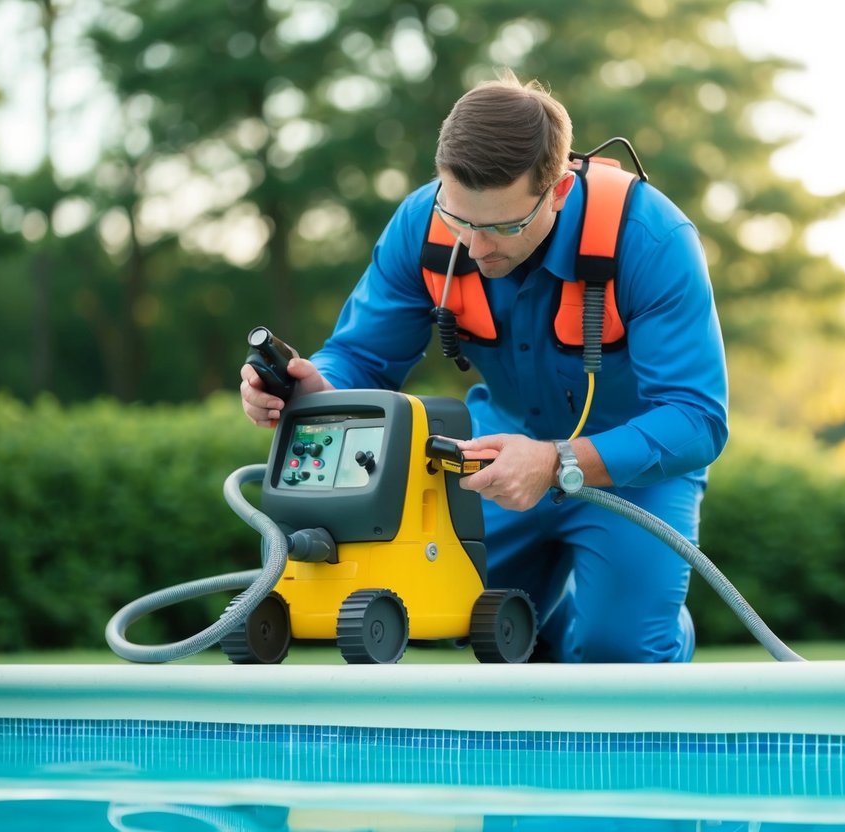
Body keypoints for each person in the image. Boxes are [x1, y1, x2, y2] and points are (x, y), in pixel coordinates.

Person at [240, 71, 728, 663]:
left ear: (557, 192)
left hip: (634, 471)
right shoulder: (421, 222)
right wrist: (317, 386)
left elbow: (698, 420)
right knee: (443, 613)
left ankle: (633, 618)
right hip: (494, 461)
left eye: (501, 226)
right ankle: (554, 629)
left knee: (619, 648)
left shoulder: (652, 239)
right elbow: (359, 357)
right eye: (460, 220)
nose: (474, 247)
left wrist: (555, 462)